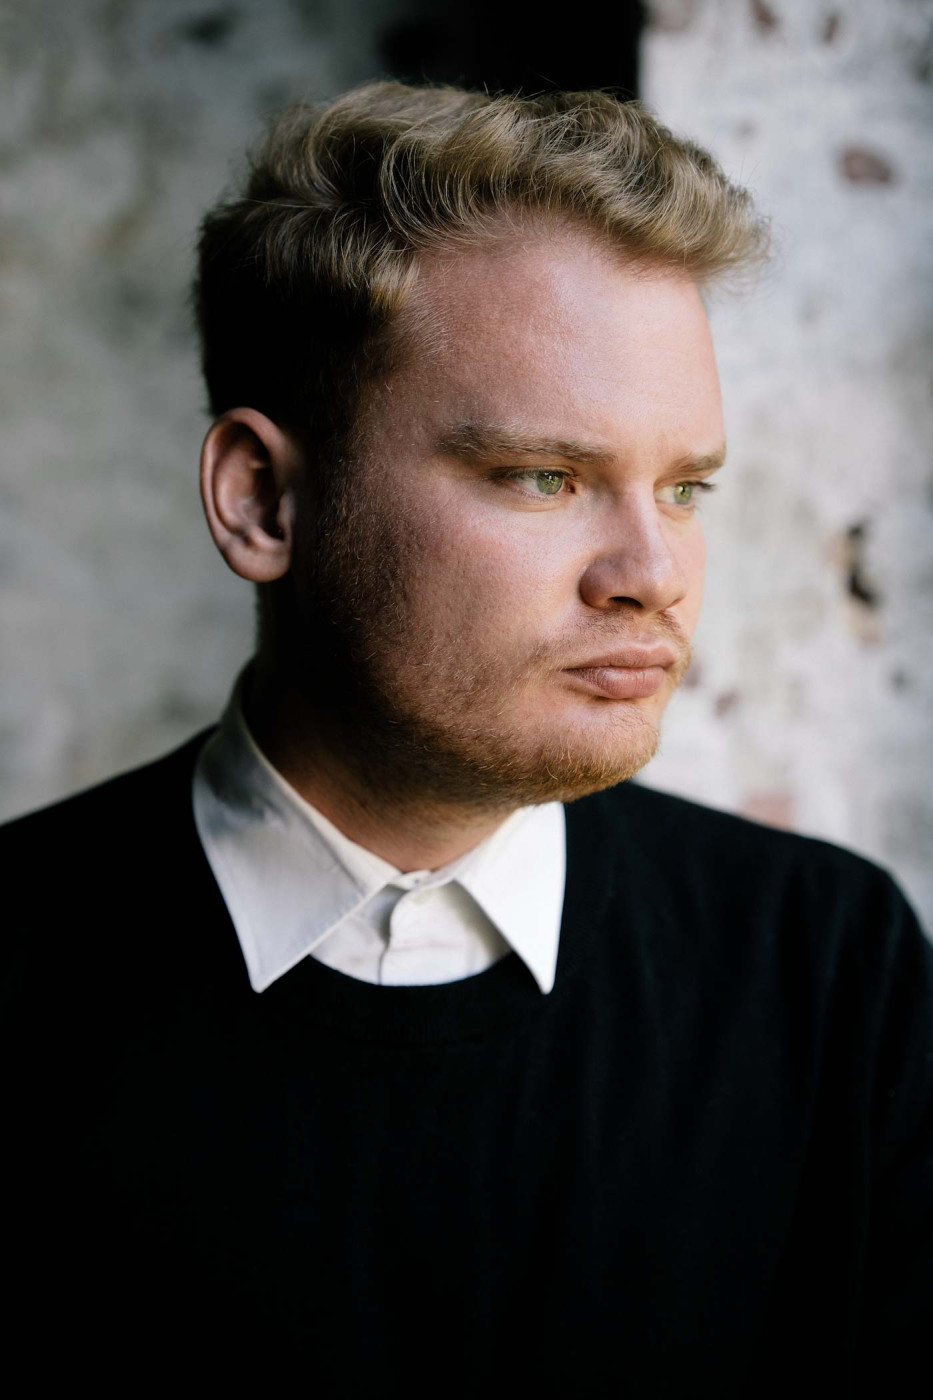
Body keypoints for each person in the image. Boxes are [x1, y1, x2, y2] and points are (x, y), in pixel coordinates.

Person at [3, 82, 930, 1395]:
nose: (652, 574)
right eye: (543, 477)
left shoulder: (827, 968)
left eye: (683, 488)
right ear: (263, 500)